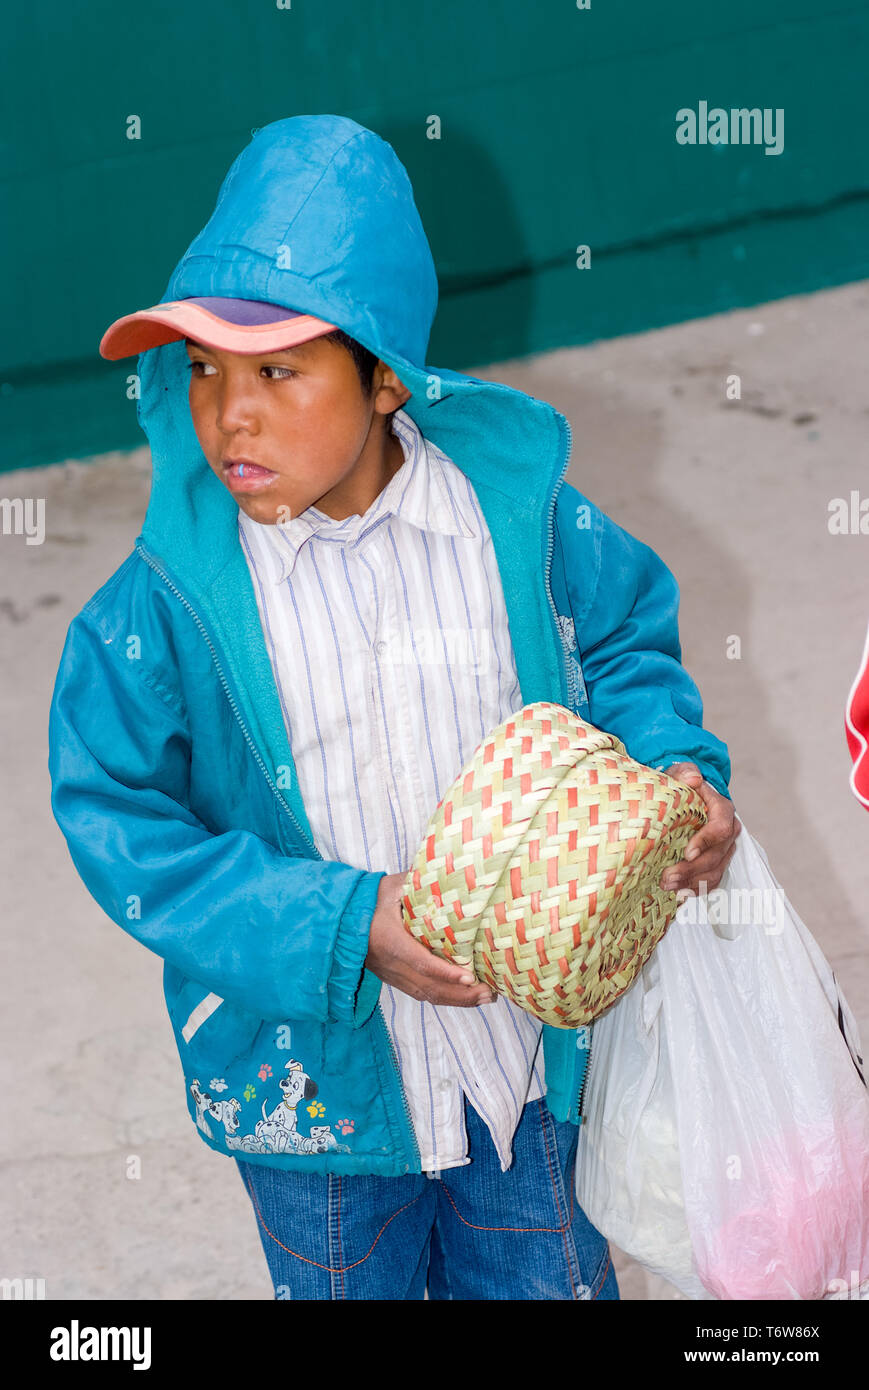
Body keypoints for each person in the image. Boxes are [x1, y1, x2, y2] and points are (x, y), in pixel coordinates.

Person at [48, 114, 739, 1300]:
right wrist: (338, 925)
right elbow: (118, 814)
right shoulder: (163, 608)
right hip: (312, 1095)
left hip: (525, 1063)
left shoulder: (517, 526)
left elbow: (624, 637)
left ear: (380, 377)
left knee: (545, 1280)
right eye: (203, 371)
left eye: (275, 370)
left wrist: (674, 770)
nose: (229, 414)